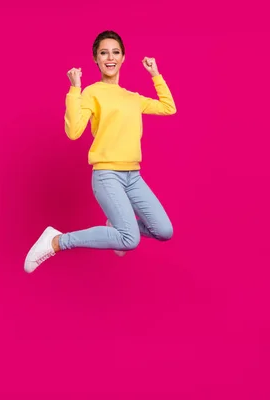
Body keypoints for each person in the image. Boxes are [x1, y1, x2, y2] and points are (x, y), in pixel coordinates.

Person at [24, 30, 177, 273]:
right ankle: (57, 241)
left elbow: (169, 107)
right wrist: (75, 89)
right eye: (104, 52)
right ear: (95, 58)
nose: (110, 57)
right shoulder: (92, 92)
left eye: (115, 52)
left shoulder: (132, 97)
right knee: (130, 239)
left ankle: (116, 228)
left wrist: (155, 74)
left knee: (164, 230)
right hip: (107, 175)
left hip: (133, 176)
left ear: (123, 57)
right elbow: (73, 132)